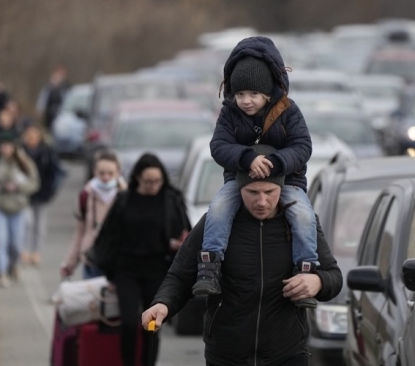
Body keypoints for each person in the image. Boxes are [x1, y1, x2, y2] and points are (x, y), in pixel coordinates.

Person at [142, 145, 343, 366]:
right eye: (252, 193)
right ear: (238, 189)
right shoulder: (215, 225)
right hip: (227, 354)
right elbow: (180, 275)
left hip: (287, 353)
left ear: (282, 189)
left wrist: (318, 281)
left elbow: (333, 276)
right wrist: (163, 304)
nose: (262, 202)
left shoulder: (302, 226)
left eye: (269, 192)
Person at [192, 36, 318, 309]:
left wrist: (275, 162)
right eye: (239, 95)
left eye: (253, 94)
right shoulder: (229, 114)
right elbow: (218, 146)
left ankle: (306, 270)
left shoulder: (289, 111)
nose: (246, 101)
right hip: (239, 181)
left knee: (304, 216)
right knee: (218, 208)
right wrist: (247, 158)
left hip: (288, 180)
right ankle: (209, 267)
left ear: (267, 93)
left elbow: (303, 146)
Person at [91, 153, 189, 366]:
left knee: (152, 324)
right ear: (137, 178)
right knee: (127, 323)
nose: (153, 186)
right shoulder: (124, 199)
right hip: (126, 269)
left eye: (157, 181)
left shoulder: (170, 198)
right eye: (148, 182)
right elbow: (109, 236)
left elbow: (185, 232)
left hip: (157, 270)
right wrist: (108, 272)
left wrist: (177, 242)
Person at [0, 131, 39, 287]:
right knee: (0, 241)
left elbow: (34, 183)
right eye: (3, 146)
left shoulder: (23, 163)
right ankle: (2, 271)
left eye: (9, 146)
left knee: (16, 242)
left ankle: (15, 264)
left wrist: (18, 186)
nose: (5, 149)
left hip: (18, 207)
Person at [61, 149, 126, 280]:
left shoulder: (126, 195)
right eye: (102, 173)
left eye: (110, 173)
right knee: (90, 299)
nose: (106, 178)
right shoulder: (86, 195)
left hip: (118, 261)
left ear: (118, 172)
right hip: (92, 260)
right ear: (94, 172)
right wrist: (69, 264)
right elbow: (80, 232)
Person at [21, 124, 64, 266]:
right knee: (28, 223)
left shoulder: (47, 152)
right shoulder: (21, 153)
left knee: (40, 224)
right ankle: (25, 250)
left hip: (42, 194)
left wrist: (50, 190)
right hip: (25, 194)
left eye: (34, 135)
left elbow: (56, 172)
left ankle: (36, 251)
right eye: (29, 135)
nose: (31, 138)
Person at [36, 65, 69, 130]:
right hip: (49, 114)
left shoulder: (66, 88)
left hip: (60, 115)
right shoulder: (48, 88)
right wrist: (40, 110)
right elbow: (43, 99)